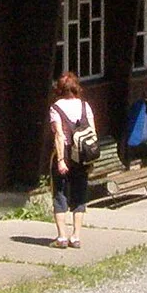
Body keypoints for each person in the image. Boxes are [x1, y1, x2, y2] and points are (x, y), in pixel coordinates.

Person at [48, 72, 97, 249]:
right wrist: (90, 160)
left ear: (59, 89)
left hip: (66, 155)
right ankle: (76, 237)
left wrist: (60, 160)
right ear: (76, 87)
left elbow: (59, 136)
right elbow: (92, 133)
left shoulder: (56, 108)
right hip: (83, 156)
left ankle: (62, 237)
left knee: (59, 194)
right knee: (80, 193)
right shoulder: (85, 106)